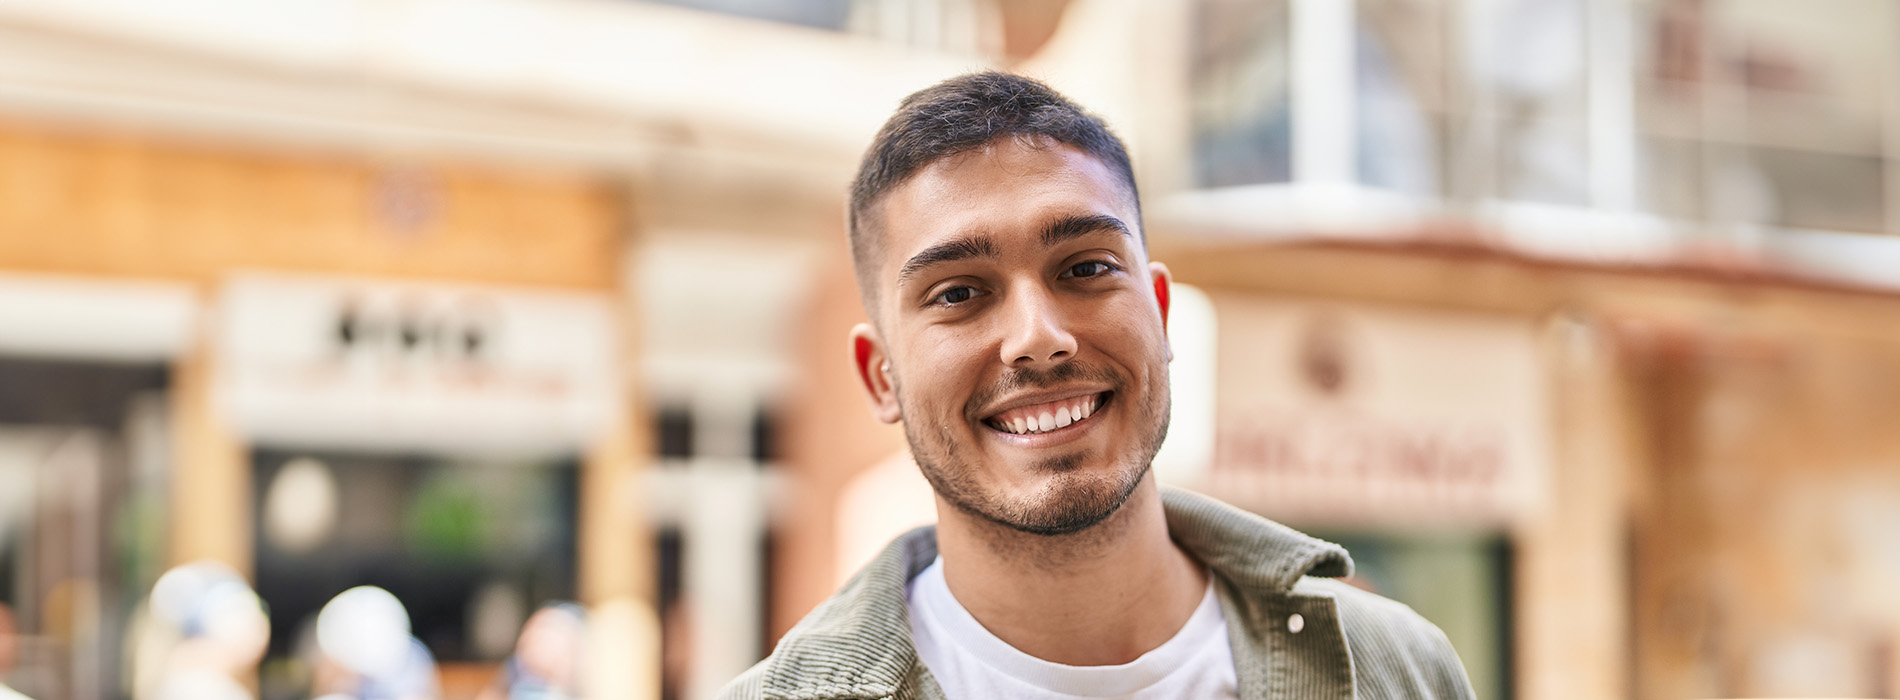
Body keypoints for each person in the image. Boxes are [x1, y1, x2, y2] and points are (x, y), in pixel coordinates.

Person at [717, 72, 1473, 700]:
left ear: (1162, 314)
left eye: (1084, 268)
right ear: (880, 377)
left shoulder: (1398, 670)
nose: (1038, 336)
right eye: (958, 293)